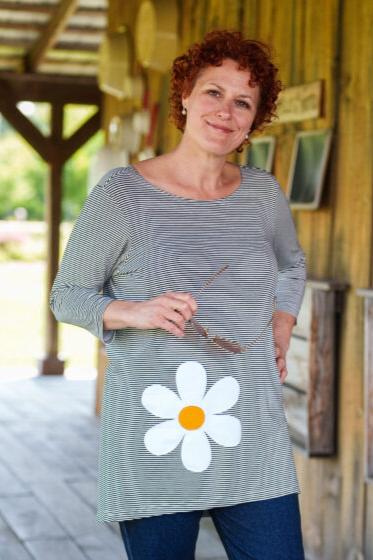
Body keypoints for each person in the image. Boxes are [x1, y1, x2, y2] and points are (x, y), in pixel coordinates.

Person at [50, 29, 306, 560]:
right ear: (185, 94)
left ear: (254, 119)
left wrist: (282, 323)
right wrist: (135, 311)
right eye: (214, 92)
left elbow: (292, 264)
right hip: (155, 435)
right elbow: (68, 295)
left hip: (252, 429)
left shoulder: (262, 195)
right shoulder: (122, 193)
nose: (225, 112)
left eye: (243, 102)